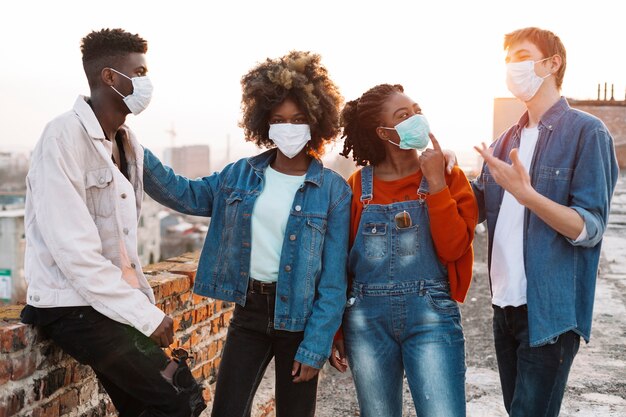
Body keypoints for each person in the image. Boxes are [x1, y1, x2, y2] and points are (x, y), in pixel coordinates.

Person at [142, 51, 350, 417]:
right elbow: (185, 194)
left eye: (299, 119)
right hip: (249, 313)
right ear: (264, 124)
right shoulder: (240, 174)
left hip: (300, 322)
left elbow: (333, 282)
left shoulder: (334, 190)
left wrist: (316, 346)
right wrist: (133, 150)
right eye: (279, 119)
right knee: (227, 411)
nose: (289, 127)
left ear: (316, 121)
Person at [21, 28, 195, 416]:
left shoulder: (128, 142)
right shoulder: (63, 137)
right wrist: (146, 317)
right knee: (175, 398)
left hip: (107, 302)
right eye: (140, 70)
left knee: (157, 402)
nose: (147, 82)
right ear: (111, 78)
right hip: (70, 306)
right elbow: (76, 255)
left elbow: (181, 191)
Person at [473, 27, 619, 416]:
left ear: (552, 63)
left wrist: (529, 197)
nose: (512, 67)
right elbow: (474, 207)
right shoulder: (507, 139)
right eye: (508, 59)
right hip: (504, 307)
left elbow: (589, 229)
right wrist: (442, 175)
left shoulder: (588, 132)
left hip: (548, 313)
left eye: (521, 56)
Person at [331, 83, 478, 417]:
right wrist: (337, 330)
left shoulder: (450, 177)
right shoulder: (357, 186)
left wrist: (438, 185)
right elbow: (341, 266)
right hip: (366, 322)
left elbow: (455, 247)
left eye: (417, 110)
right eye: (404, 115)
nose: (417, 119)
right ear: (384, 133)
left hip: (432, 315)